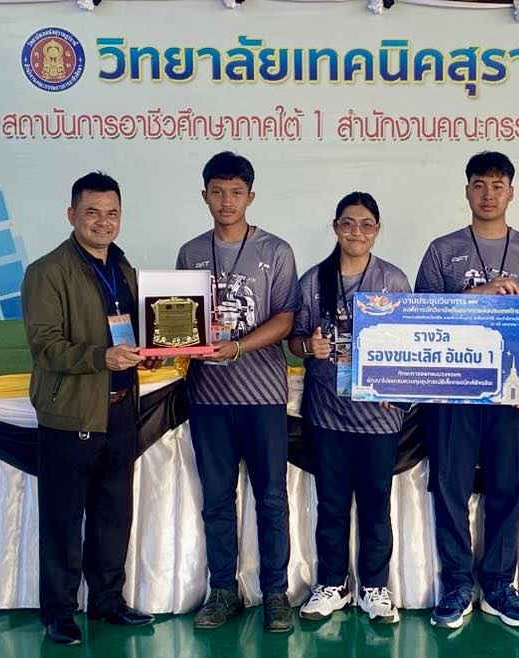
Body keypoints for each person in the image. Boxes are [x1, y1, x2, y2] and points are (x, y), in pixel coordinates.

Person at [21, 172, 159, 646]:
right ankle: (59, 612)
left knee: (112, 514)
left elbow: (139, 330)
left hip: (120, 411)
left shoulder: (124, 268)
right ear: (72, 215)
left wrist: (155, 349)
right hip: (72, 414)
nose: (103, 222)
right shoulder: (47, 271)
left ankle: (107, 601)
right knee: (63, 519)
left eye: (112, 213)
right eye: (92, 212)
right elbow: (45, 346)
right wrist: (102, 357)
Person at [414, 151, 519, 629]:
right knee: (449, 488)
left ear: (511, 192)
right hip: (453, 393)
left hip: (511, 394)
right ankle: (456, 584)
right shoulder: (441, 250)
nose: (488, 194)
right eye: (479, 184)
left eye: (497, 185)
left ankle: (498, 584)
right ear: (467, 190)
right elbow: (421, 317)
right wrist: (478, 295)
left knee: (506, 489)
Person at [175, 152, 300, 633]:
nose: (226, 201)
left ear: (250, 196)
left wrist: (238, 347)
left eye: (236, 192)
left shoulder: (277, 251)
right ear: (204, 195)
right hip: (207, 398)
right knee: (217, 500)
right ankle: (222, 590)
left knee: (271, 498)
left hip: (262, 396)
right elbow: (177, 319)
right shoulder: (190, 253)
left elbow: (286, 319)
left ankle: (275, 593)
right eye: (217, 192)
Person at [288, 192, 411, 625]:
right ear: (335, 227)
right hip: (327, 413)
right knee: (332, 504)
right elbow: (294, 341)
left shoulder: (393, 280)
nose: (356, 232)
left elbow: (410, 343)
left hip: (379, 415)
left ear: (377, 230)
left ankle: (374, 586)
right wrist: (310, 346)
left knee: (376, 504)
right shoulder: (313, 281)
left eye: (366, 224)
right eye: (347, 223)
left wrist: (398, 385)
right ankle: (332, 584)